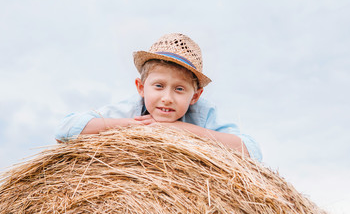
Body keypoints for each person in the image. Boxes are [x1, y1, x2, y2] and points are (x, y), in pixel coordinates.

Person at [55, 33, 262, 162]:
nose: (167, 98)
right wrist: (131, 126)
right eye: (159, 86)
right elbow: (64, 130)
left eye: (179, 89)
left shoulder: (203, 113)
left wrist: (181, 130)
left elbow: (251, 151)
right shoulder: (131, 110)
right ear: (141, 88)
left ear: (195, 96)